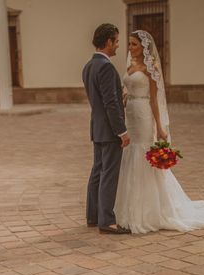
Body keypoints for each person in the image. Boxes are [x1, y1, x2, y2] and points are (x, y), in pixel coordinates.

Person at [114, 30, 204, 234]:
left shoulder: (149, 68)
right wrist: (125, 99)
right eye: (129, 44)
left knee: (142, 154)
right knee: (130, 153)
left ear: (144, 47)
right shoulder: (129, 66)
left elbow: (154, 99)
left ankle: (151, 211)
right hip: (130, 114)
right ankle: (128, 209)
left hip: (144, 116)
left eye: (134, 44)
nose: (130, 48)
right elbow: (127, 89)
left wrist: (160, 128)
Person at [82, 24, 131, 234]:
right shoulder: (107, 67)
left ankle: (93, 216)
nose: (118, 45)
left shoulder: (88, 66)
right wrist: (122, 131)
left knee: (97, 172)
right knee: (109, 174)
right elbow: (110, 103)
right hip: (110, 130)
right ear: (108, 41)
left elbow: (100, 100)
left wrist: (122, 101)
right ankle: (107, 221)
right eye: (117, 41)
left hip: (97, 128)